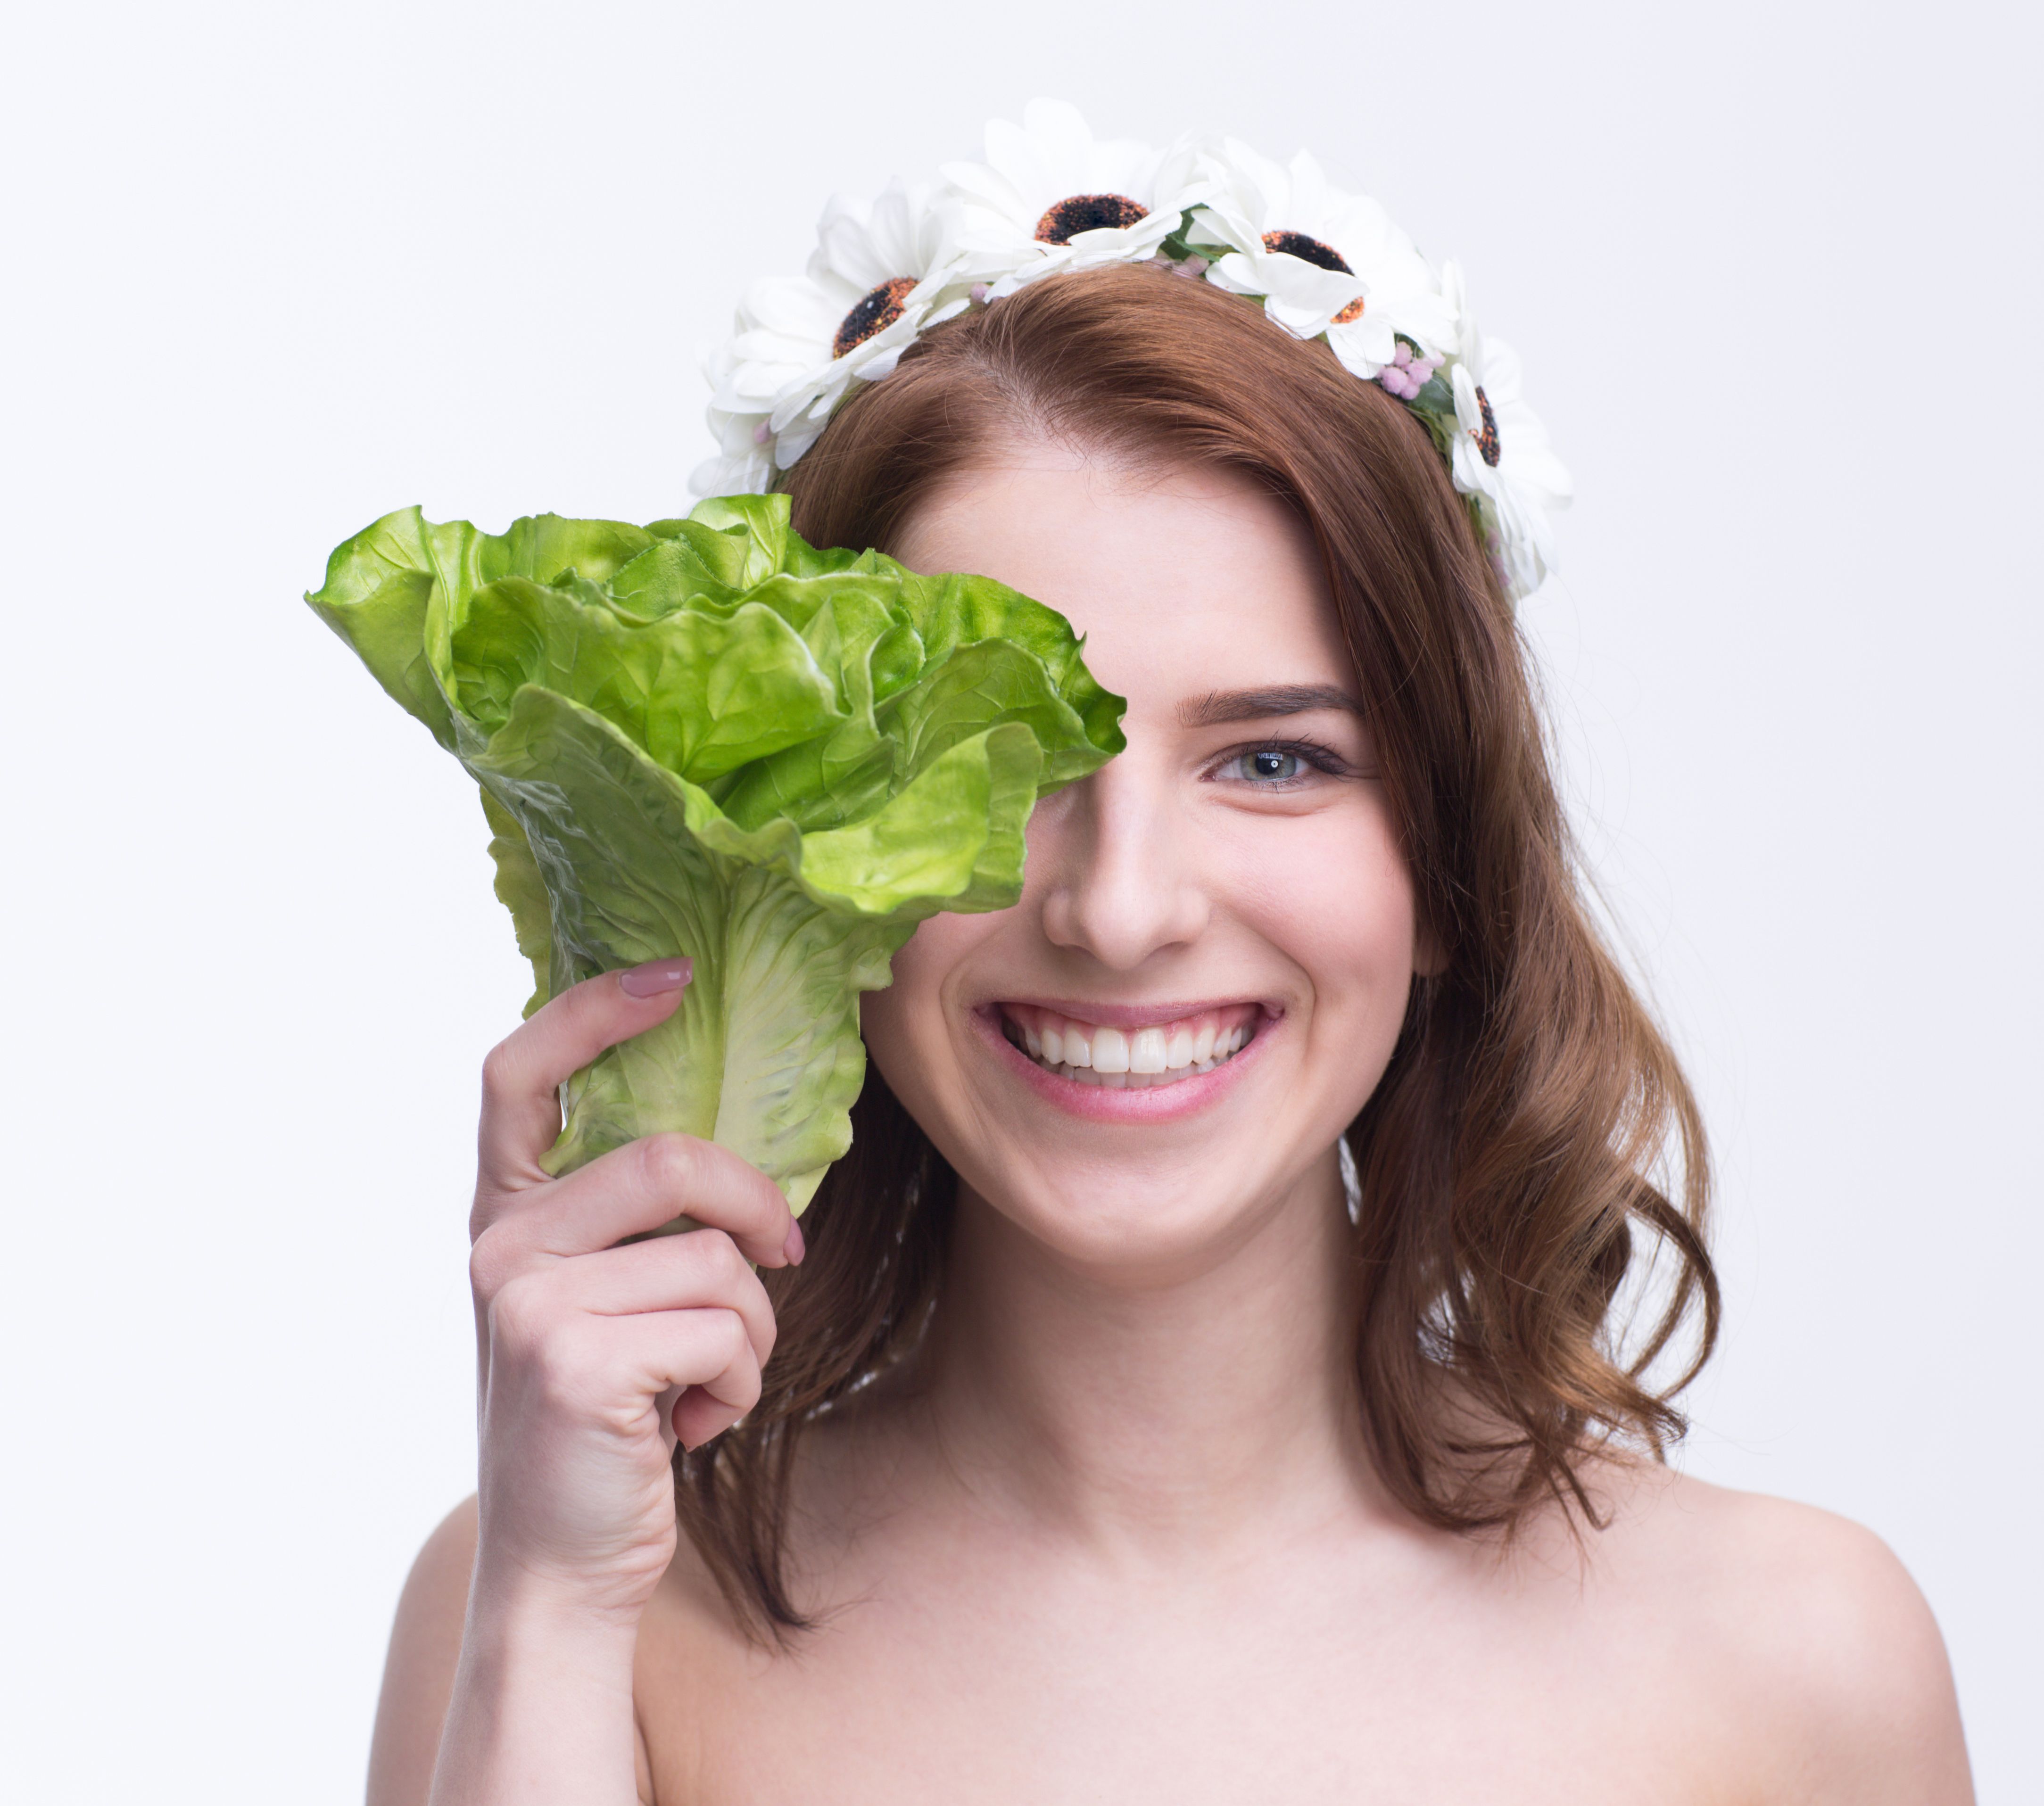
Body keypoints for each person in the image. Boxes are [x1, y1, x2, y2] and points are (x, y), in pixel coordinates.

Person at [365, 118, 1973, 1804]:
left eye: (1274, 760)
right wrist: (553, 1612)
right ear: (808, 863)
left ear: (1448, 864)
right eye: (996, 764)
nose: (1120, 911)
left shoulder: (1798, 1666)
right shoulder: (569, 1608)